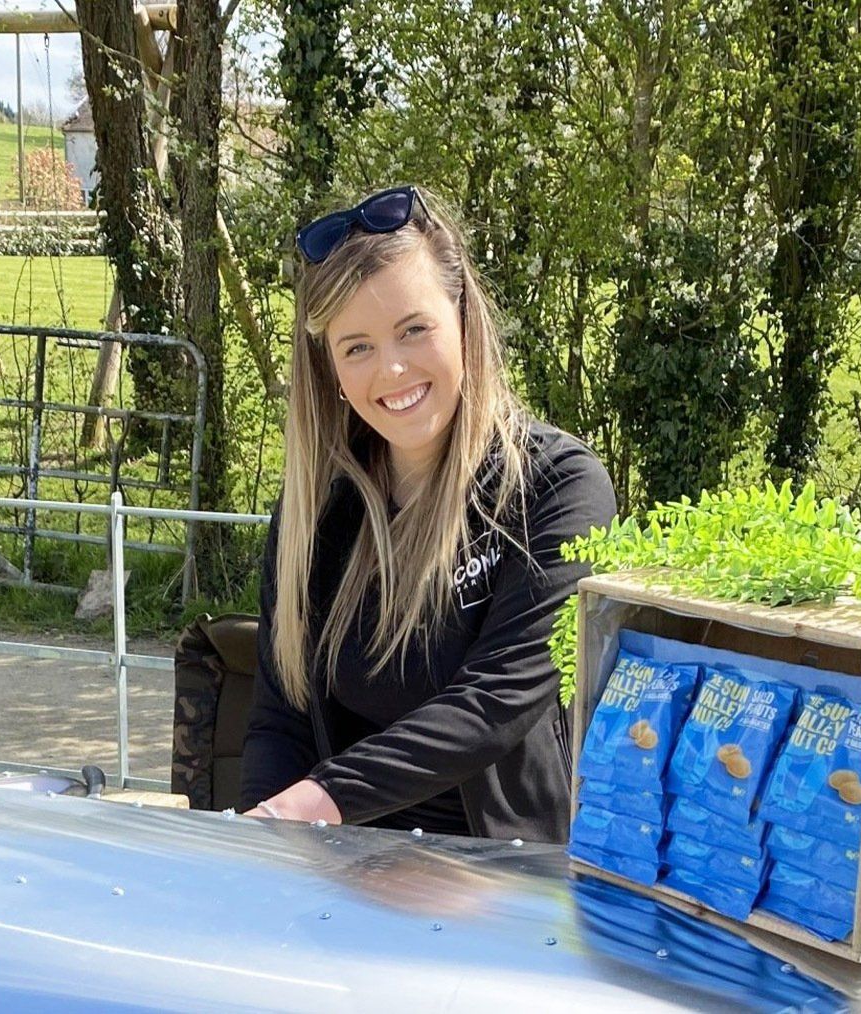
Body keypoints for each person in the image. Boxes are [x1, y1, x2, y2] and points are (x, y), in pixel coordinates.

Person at [239, 185, 616, 843]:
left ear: (465, 320)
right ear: (331, 370)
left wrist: (314, 802)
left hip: (501, 879)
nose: (391, 369)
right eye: (356, 347)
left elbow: (494, 701)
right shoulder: (316, 512)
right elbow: (282, 718)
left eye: (414, 330)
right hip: (339, 868)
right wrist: (256, 845)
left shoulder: (557, 487)